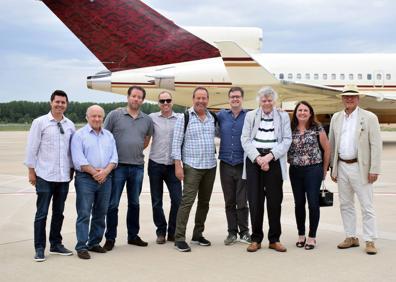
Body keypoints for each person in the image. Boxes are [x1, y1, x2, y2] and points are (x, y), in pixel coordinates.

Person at [329, 84, 382, 255]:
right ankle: (351, 236)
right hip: (342, 166)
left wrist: (374, 168)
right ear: (342, 99)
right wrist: (333, 168)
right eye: (346, 96)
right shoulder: (336, 118)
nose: (349, 99)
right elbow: (332, 143)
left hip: (361, 168)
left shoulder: (369, 117)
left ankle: (370, 240)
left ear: (358, 99)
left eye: (352, 96)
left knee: (366, 205)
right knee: (346, 204)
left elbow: (376, 145)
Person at [24, 90, 75, 262]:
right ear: (51, 103)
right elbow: (32, 148)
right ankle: (39, 247)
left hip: (63, 177)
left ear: (66, 104)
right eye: (57, 102)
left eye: (63, 102)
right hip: (45, 175)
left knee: (59, 212)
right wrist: (31, 170)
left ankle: (56, 243)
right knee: (42, 213)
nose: (60, 105)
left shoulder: (70, 125)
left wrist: (72, 170)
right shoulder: (40, 123)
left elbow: (71, 151)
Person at [241, 86, 291, 253]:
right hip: (254, 159)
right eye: (264, 100)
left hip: (274, 160)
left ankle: (274, 239)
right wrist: (257, 158)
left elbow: (286, 140)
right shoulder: (250, 116)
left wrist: (269, 157)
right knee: (255, 201)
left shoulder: (283, 116)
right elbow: (245, 139)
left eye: (270, 100)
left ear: (274, 101)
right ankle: (256, 239)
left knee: (274, 201)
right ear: (259, 101)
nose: (267, 103)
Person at [103, 86, 153, 251]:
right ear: (128, 97)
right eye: (134, 96)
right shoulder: (114, 115)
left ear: (142, 100)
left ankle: (133, 236)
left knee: (134, 203)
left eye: (139, 97)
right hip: (117, 167)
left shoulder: (146, 119)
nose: (136, 99)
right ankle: (110, 238)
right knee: (113, 204)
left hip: (137, 167)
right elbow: (105, 137)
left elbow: (146, 140)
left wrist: (135, 149)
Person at [171, 87, 217, 252]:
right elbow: (176, 143)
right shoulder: (184, 117)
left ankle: (198, 235)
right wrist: (178, 165)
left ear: (207, 100)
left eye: (204, 98)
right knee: (187, 202)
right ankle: (179, 238)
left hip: (210, 166)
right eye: (198, 98)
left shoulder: (212, 117)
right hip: (192, 166)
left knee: (204, 203)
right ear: (193, 99)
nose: (201, 101)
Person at [71, 105, 118, 259]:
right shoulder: (79, 135)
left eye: (100, 116)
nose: (97, 119)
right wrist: (95, 173)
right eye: (94, 116)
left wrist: (105, 172)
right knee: (84, 213)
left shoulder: (109, 136)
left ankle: (94, 242)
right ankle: (82, 246)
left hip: (106, 178)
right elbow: (79, 160)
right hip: (85, 179)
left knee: (101, 212)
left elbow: (114, 158)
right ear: (87, 117)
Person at [287, 101, 330, 250]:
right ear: (296, 113)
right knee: (299, 204)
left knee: (313, 203)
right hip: (295, 170)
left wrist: (324, 170)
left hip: (313, 170)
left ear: (310, 113)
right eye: (300, 110)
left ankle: (312, 237)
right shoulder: (290, 128)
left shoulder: (317, 128)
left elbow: (327, 149)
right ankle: (301, 235)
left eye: (306, 110)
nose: (303, 112)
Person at [217, 87, 251, 245]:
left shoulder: (250, 116)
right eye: (232, 97)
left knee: (242, 200)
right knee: (229, 200)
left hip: (242, 164)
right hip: (225, 164)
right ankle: (232, 232)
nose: (235, 99)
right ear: (228, 99)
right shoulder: (222, 115)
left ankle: (244, 231)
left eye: (237, 97)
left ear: (242, 99)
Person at [148, 91, 182, 244]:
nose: (165, 103)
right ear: (158, 103)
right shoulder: (152, 118)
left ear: (172, 102)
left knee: (177, 200)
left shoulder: (180, 118)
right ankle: (161, 231)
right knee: (157, 201)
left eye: (168, 100)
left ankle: (172, 232)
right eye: (162, 101)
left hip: (173, 165)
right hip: (155, 163)